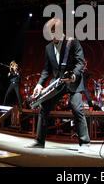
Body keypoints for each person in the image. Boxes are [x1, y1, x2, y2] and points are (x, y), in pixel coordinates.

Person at [26, 18, 90, 149]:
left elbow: (80, 62)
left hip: (73, 82)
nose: (51, 36)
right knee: (44, 107)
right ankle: (39, 141)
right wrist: (39, 84)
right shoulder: (48, 47)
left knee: (77, 109)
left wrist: (73, 75)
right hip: (57, 83)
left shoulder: (73, 42)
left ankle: (85, 142)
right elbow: (46, 69)